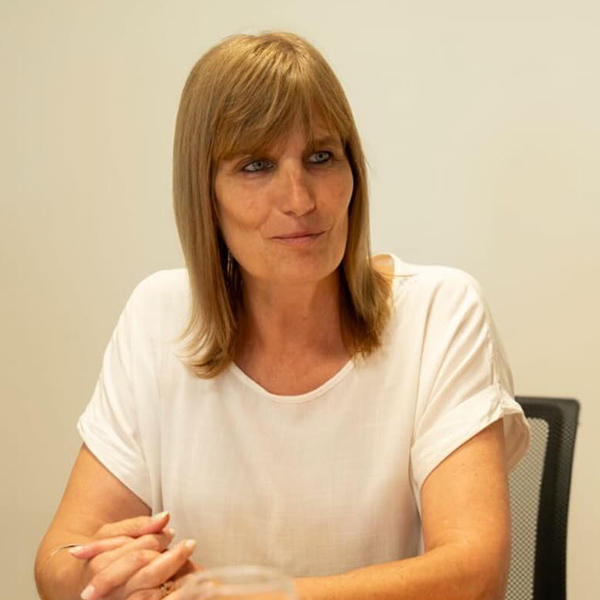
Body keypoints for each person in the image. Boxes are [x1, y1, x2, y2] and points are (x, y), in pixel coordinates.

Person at [35, 31, 529, 600]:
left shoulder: (441, 312)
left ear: (353, 173)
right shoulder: (158, 316)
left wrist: (236, 594)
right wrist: (107, 574)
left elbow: (474, 574)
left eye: (321, 158)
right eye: (256, 166)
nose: (300, 199)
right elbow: (57, 560)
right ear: (205, 194)